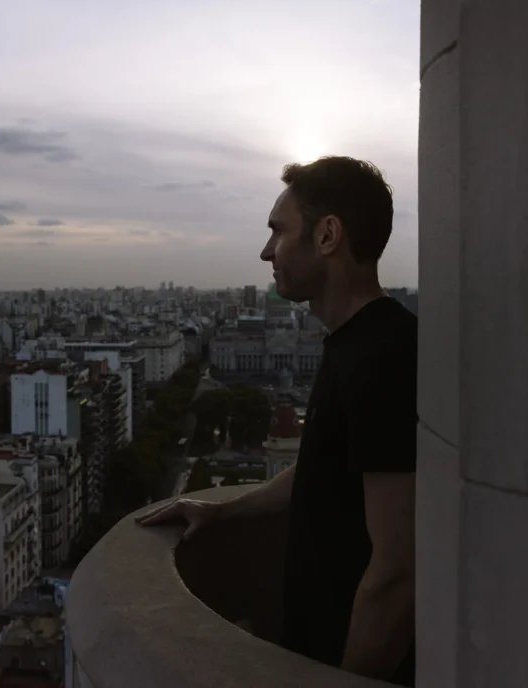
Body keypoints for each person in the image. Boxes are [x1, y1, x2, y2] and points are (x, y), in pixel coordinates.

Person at [137, 156, 417, 686]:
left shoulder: (385, 357)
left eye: (278, 231)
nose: (267, 251)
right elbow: (323, 468)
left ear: (328, 235)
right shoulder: (355, 343)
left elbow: (397, 573)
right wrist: (223, 512)